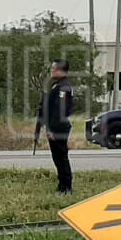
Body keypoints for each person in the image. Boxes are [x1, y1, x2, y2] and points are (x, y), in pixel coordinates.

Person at [35, 60, 74, 196]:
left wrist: (51, 129)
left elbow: (59, 111)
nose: (51, 71)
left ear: (60, 70)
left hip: (59, 128)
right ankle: (61, 184)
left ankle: (66, 186)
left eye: (53, 68)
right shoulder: (57, 85)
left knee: (61, 157)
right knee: (57, 157)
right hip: (56, 126)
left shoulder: (63, 87)